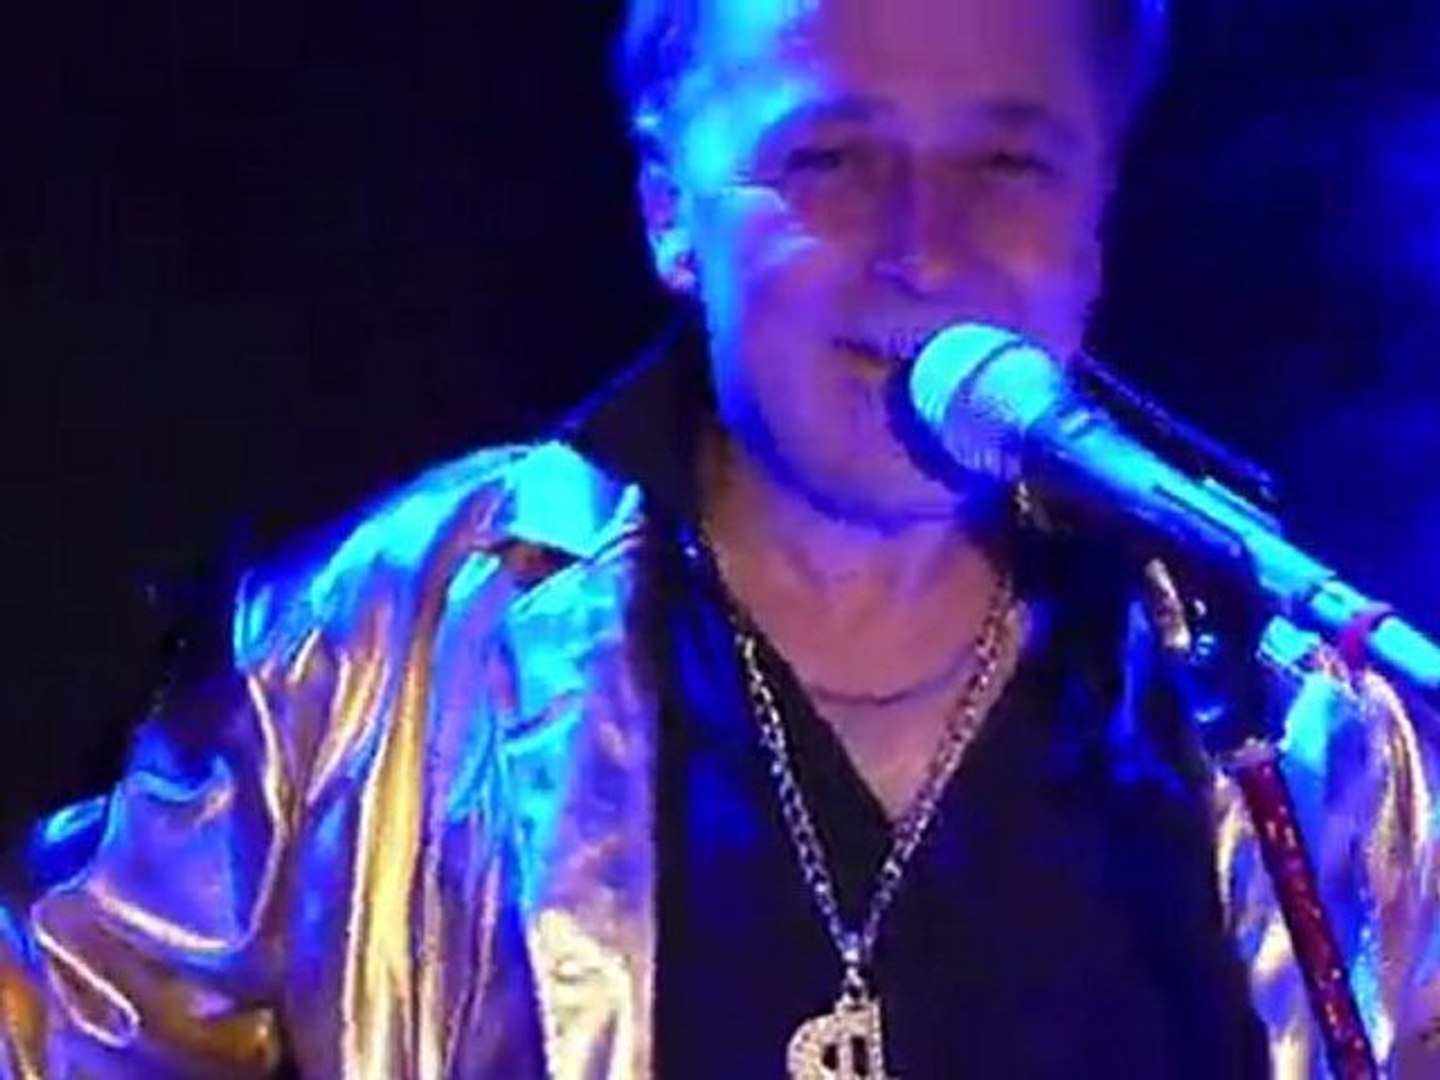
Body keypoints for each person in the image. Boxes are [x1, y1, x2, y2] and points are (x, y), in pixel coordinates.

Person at [1, 0, 1436, 1076]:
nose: (923, 248)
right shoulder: (372, 646)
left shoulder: (1312, 727)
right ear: (668, 209)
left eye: (1008, 163)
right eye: (829, 158)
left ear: (1098, 214)